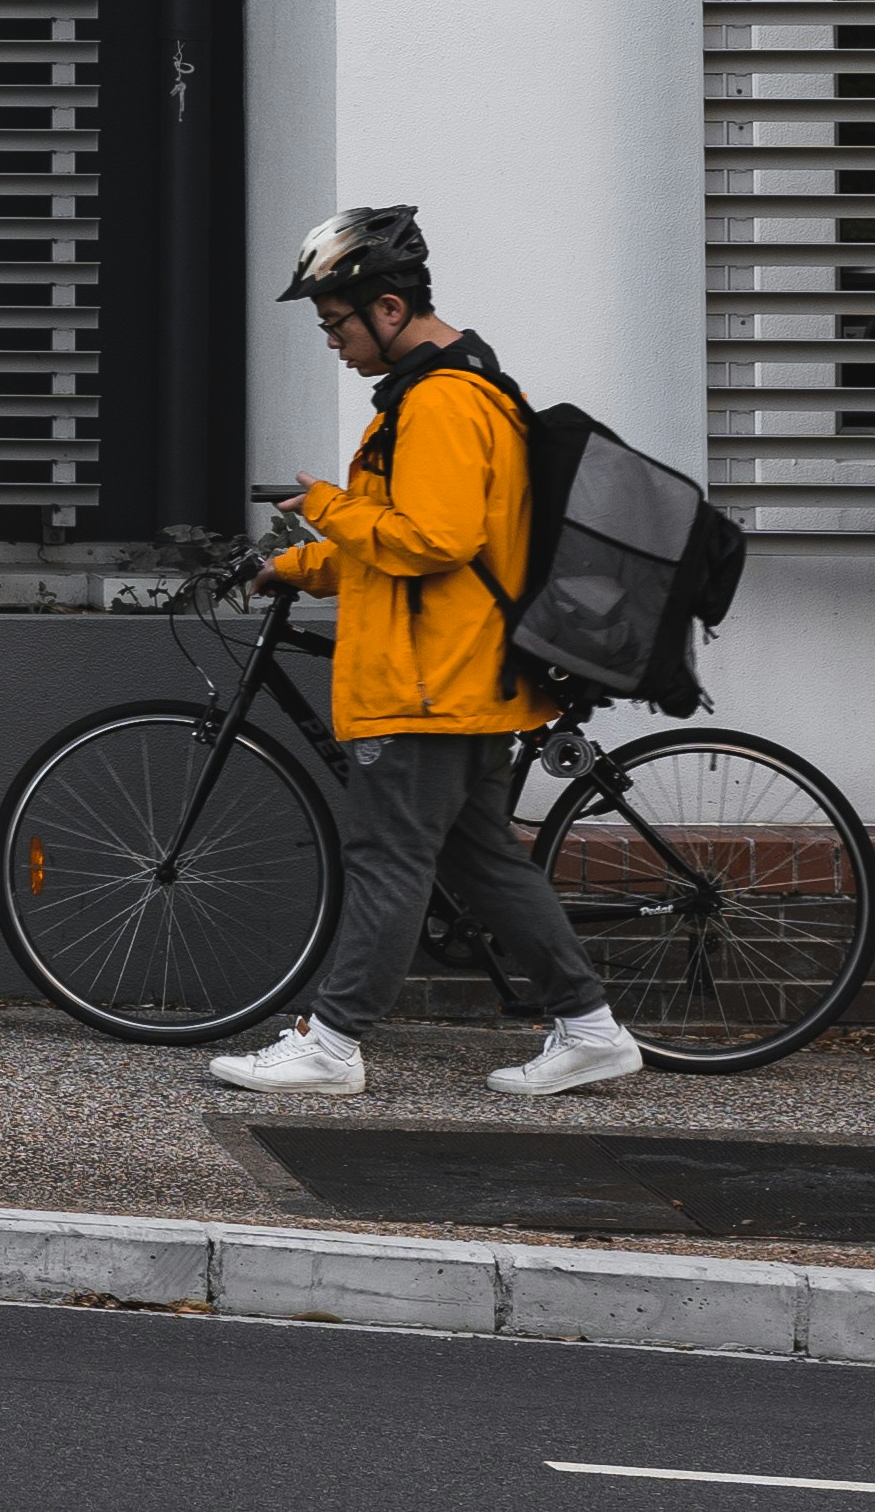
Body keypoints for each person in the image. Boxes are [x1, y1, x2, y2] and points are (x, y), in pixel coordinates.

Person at [208, 204, 643, 1100]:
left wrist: (325, 506)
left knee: (386, 857)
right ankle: (591, 1028)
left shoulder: (441, 401)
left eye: (336, 321)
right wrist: (294, 567)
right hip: (459, 674)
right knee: (479, 857)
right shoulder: (445, 391)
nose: (331, 339)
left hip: (426, 682)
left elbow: (432, 540)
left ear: (391, 308)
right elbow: (401, 544)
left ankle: (330, 1044)